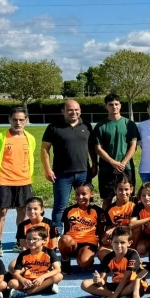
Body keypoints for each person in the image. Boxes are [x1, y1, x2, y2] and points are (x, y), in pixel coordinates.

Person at [0, 106, 37, 253]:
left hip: (24, 180)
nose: (18, 123)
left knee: (23, 211)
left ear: (26, 120)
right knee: (2, 211)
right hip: (4, 180)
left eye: (21, 120)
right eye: (15, 119)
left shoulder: (30, 138)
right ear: (9, 120)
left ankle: (19, 241)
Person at [41, 99, 94, 236]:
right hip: (62, 174)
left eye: (76, 110)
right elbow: (45, 149)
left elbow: (92, 147)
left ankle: (84, 232)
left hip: (84, 172)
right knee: (60, 206)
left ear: (80, 111)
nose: (73, 112)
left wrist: (95, 164)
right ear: (63, 111)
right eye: (70, 110)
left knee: (85, 204)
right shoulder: (54, 127)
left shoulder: (87, 126)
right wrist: (47, 169)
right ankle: (57, 236)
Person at [92, 93, 139, 211]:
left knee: (128, 198)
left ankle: (129, 221)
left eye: (116, 104)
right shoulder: (100, 126)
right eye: (111, 104)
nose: (114, 107)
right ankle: (106, 221)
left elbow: (133, 146)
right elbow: (98, 148)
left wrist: (122, 163)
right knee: (107, 199)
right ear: (106, 106)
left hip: (126, 168)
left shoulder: (129, 124)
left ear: (120, 105)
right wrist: (114, 163)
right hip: (107, 169)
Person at [80, 226, 144, 298]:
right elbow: (103, 282)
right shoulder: (108, 258)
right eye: (116, 242)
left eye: (122, 242)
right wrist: (99, 280)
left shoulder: (132, 255)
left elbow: (126, 279)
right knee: (85, 284)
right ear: (111, 242)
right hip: (116, 285)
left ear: (129, 243)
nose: (119, 246)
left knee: (133, 285)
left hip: (132, 285)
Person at [58, 183, 105, 273]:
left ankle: (87, 260)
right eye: (77, 194)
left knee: (84, 263)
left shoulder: (98, 211)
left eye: (84, 194)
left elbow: (101, 232)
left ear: (91, 194)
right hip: (73, 243)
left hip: (89, 243)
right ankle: (65, 261)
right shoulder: (69, 210)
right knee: (64, 239)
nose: (80, 197)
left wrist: (101, 250)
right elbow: (66, 230)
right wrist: (64, 247)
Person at [7, 227, 63, 298]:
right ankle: (45, 287)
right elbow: (16, 273)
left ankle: (26, 293)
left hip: (43, 279)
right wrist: (23, 280)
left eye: (35, 239)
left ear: (44, 240)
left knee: (59, 276)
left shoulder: (49, 252)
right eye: (28, 239)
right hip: (28, 281)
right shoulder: (23, 254)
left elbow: (57, 269)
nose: (31, 241)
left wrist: (42, 277)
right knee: (12, 283)